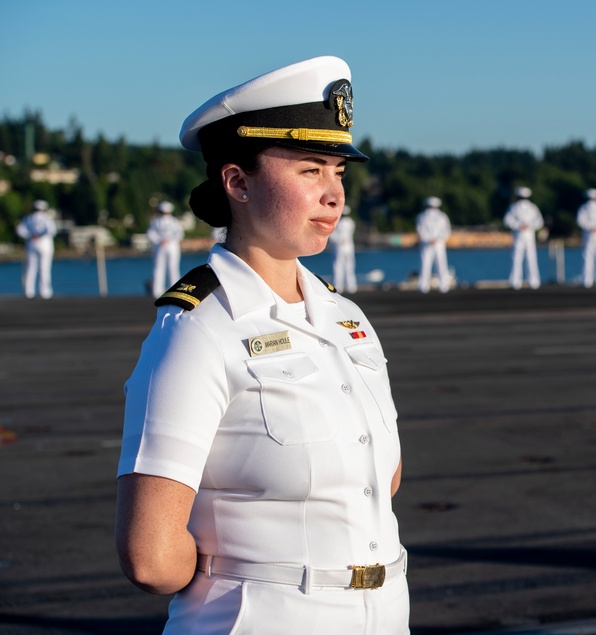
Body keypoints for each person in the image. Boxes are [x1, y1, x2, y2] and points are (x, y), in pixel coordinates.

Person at [115, 56, 409, 635]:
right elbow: (152, 558)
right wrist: (244, 578)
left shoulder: (346, 319)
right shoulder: (199, 329)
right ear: (237, 182)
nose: (333, 195)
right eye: (309, 170)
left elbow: (384, 477)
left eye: (339, 173)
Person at [503, 186, 544, 289]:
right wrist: (529, 226)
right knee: (530, 257)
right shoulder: (533, 207)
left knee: (517, 257)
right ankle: (533, 282)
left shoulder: (514, 207)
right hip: (528, 233)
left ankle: (515, 282)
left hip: (520, 233)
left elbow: (507, 221)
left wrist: (519, 225)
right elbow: (539, 222)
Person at [15, 199, 57, 299]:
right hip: (45, 244)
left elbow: (19, 230)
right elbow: (52, 230)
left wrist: (30, 235)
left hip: (31, 244)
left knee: (30, 268)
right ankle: (45, 292)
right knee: (44, 268)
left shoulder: (29, 218)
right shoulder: (47, 218)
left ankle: (29, 291)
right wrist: (40, 236)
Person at [147, 201, 185, 297]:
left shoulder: (171, 221)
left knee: (172, 268)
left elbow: (179, 234)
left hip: (170, 246)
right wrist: (160, 240)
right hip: (162, 246)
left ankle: (172, 289)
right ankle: (157, 291)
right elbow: (151, 234)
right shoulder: (158, 221)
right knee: (159, 268)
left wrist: (167, 240)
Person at [416, 196, 451, 293]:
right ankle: (440, 286)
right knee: (433, 265)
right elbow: (447, 231)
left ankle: (426, 286)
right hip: (434, 244)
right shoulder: (442, 216)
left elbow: (420, 230)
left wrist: (432, 239)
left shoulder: (422, 216)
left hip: (431, 244)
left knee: (430, 264)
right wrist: (436, 239)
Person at [330, 204, 358, 293]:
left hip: (340, 246)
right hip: (349, 246)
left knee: (338, 266)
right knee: (349, 266)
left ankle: (338, 285)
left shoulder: (338, 223)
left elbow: (332, 235)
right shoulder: (351, 222)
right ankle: (351, 286)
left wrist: (336, 240)